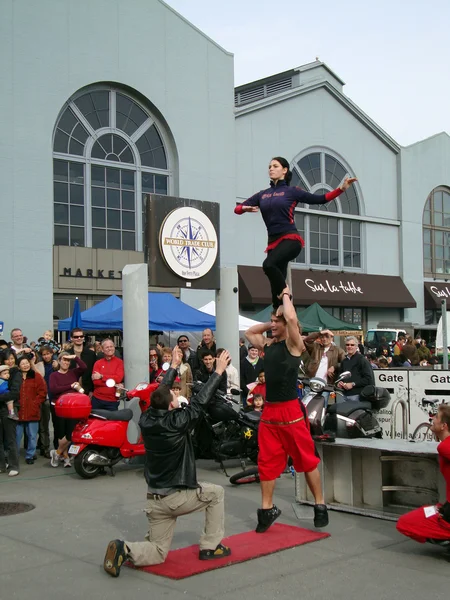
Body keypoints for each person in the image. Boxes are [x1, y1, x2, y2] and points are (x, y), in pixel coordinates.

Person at [103, 347, 232, 577]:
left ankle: (125, 548)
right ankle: (211, 547)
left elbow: (159, 392)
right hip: (175, 497)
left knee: (157, 552)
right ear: (172, 405)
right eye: (174, 395)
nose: (175, 394)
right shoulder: (177, 421)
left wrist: (173, 365)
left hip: (154, 499)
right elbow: (200, 402)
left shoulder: (146, 418)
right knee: (216, 493)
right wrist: (219, 372)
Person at [245, 288, 328, 532]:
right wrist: (271, 321)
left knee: (306, 459)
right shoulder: (268, 344)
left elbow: (292, 320)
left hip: (290, 410)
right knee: (267, 461)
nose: (271, 325)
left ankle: (320, 505)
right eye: (271, 321)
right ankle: (266, 509)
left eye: (275, 322)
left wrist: (286, 298)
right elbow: (250, 332)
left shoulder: (294, 344)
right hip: (270, 412)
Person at [234, 156, 356, 310]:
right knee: (274, 293)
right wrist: (244, 209)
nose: (271, 169)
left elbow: (321, 199)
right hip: (272, 244)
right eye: (269, 166)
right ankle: (281, 316)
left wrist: (342, 189)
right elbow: (237, 209)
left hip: (291, 240)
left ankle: (286, 290)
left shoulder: (292, 191)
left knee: (268, 265)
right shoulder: (262, 195)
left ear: (284, 170)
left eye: (275, 166)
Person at [396, 404, 450, 550]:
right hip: (446, 508)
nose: (432, 419)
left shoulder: (444, 446)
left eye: (436, 417)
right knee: (423, 513)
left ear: (444, 425)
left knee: (404, 524)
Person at [49, 351, 87, 468]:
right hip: (59, 407)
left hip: (72, 408)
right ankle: (65, 458)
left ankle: (57, 453)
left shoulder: (73, 373)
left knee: (71, 433)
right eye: (63, 360)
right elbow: (54, 389)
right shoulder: (53, 375)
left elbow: (84, 367)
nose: (66, 362)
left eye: (67, 360)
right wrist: (70, 386)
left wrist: (75, 357)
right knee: (61, 434)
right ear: (59, 361)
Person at [16, 355, 47, 464]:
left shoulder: (36, 376)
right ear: (18, 366)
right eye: (22, 363)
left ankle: (30, 455)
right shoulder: (16, 377)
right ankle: (14, 456)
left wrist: (35, 403)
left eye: (27, 363)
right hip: (18, 411)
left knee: (32, 436)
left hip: (32, 410)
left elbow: (42, 392)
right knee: (16, 436)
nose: (25, 365)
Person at [303, 330, 345, 404]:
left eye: (327, 337)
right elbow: (307, 340)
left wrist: (335, 367)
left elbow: (345, 362)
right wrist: (319, 333)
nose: (324, 339)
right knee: (306, 405)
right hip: (311, 382)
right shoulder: (316, 347)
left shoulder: (337, 350)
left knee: (322, 406)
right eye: (322, 337)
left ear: (332, 338)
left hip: (325, 385)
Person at [0, 350, 22, 476]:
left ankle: (14, 465)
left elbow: (14, 393)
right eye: (7, 359)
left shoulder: (16, 374)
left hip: (10, 408)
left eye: (12, 358)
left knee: (10, 438)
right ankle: (2, 465)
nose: (10, 361)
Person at [35, 346, 59, 455]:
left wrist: (57, 364)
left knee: (56, 424)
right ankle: (44, 448)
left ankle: (58, 446)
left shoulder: (56, 365)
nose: (46, 356)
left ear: (51, 353)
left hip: (55, 398)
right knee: (43, 425)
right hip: (44, 398)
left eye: (48, 354)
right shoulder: (40, 366)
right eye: (44, 354)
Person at [337, 336, 374, 402]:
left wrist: (353, 384)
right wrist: (339, 382)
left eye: (352, 345)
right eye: (347, 345)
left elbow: (368, 379)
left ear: (356, 347)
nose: (349, 346)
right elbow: (341, 375)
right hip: (344, 395)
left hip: (358, 395)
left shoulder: (362, 360)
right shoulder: (344, 361)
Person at [91, 339, 124, 411]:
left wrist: (101, 376)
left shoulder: (120, 362)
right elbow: (96, 382)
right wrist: (113, 383)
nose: (110, 349)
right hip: (97, 400)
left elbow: (118, 378)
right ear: (102, 350)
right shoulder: (98, 363)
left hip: (112, 401)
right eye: (107, 347)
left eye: (111, 346)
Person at [64, 328, 96, 396]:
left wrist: (92, 390)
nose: (79, 338)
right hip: (70, 390)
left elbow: (93, 372)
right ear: (71, 338)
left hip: (87, 390)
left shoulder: (91, 354)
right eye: (76, 337)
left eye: (81, 336)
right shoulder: (66, 354)